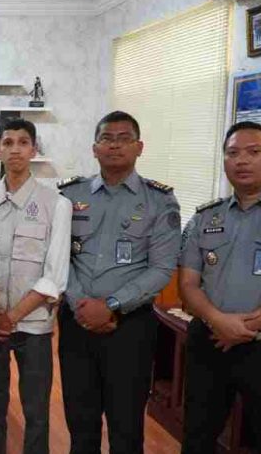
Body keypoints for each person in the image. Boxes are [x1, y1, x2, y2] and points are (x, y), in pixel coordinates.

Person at [58, 110, 181, 454]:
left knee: (126, 428)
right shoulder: (68, 195)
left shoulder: (159, 201)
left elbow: (162, 268)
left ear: (139, 147)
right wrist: (80, 304)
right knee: (80, 424)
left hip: (130, 327)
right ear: (94, 148)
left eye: (124, 139)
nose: (115, 146)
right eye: (107, 139)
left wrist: (111, 306)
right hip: (76, 322)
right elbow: (58, 258)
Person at [0, 119, 71, 454]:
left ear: (34, 149)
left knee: (37, 412)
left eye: (23, 142)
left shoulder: (56, 204)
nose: (15, 149)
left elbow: (54, 276)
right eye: (8, 142)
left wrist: (11, 317)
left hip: (33, 326)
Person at [178, 121, 261, 454]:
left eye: (253, 152)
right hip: (209, 342)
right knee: (197, 437)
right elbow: (188, 283)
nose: (241, 160)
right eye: (232, 153)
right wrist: (219, 321)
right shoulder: (205, 217)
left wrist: (244, 327)